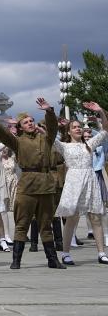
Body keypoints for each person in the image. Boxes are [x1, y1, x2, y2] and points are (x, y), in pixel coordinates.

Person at [0, 98, 61, 270]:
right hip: (27, 185)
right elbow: (4, 135)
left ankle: (53, 260)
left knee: (46, 224)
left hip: (46, 185)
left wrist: (49, 111)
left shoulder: (46, 139)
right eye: (25, 122)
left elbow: (54, 127)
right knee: (22, 223)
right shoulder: (18, 141)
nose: (30, 123)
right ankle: (16, 260)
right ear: (20, 127)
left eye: (31, 121)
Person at [54, 102, 108, 265]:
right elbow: (50, 137)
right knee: (72, 218)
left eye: (79, 127)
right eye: (75, 127)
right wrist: (52, 118)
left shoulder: (89, 145)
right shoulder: (64, 146)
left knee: (95, 218)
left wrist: (100, 112)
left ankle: (101, 253)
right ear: (69, 131)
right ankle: (65, 253)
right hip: (74, 182)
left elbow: (105, 129)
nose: (78, 129)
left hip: (90, 180)